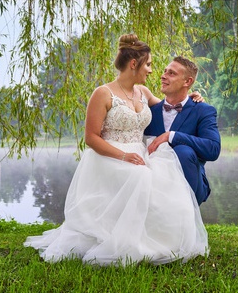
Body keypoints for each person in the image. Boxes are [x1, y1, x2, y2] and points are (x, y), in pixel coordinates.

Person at [24, 34, 208, 265]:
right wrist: (123, 156)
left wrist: (192, 97)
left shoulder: (143, 92)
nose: (151, 71)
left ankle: (163, 239)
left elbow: (170, 105)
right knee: (141, 177)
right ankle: (122, 241)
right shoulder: (102, 93)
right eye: (148, 65)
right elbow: (91, 138)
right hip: (110, 156)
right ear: (134, 64)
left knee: (166, 176)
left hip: (139, 153)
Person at [145, 56, 220, 204]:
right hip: (152, 185)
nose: (163, 76)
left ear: (187, 82)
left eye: (171, 73)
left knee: (183, 151)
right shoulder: (148, 112)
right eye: (165, 71)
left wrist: (172, 136)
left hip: (191, 186)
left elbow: (213, 149)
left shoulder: (203, 111)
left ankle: (186, 210)